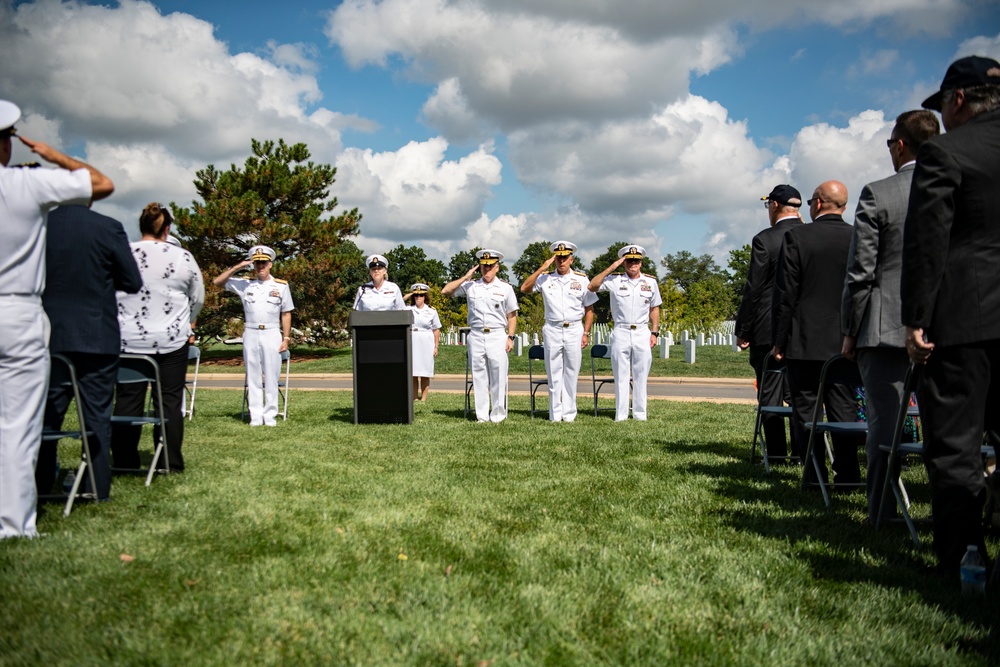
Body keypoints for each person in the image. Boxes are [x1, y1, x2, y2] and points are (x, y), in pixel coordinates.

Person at [901, 55, 1000, 572]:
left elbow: (928, 243)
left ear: (957, 100)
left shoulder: (946, 152)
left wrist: (916, 319)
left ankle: (965, 560)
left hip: (969, 320)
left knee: (957, 446)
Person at [0, 100, 114, 539]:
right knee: (18, 425)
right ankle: (13, 524)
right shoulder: (25, 183)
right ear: (9, 142)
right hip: (17, 308)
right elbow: (101, 183)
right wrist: (53, 156)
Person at [841, 110, 940, 525]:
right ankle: (952, 514)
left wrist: (850, 329)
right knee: (945, 422)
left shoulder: (879, 193)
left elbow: (862, 272)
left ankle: (881, 511)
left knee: (884, 421)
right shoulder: (960, 188)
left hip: (886, 327)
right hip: (946, 324)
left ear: (900, 145)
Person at [36, 205, 143, 502]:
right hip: (96, 334)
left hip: (49, 332)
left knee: (46, 418)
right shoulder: (108, 227)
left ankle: (41, 484)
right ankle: (98, 489)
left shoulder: (40, 224)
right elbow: (132, 281)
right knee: (96, 417)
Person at [772, 181, 862, 487]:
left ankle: (814, 477)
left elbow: (786, 293)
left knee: (806, 413)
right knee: (844, 410)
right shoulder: (858, 237)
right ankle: (849, 475)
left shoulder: (797, 237)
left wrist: (779, 341)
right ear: (844, 207)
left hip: (804, 339)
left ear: (818, 204)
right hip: (845, 340)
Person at [112, 203, 204, 472]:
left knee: (128, 399)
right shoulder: (181, 256)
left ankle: (124, 461)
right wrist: (185, 321)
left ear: (141, 226)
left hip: (129, 339)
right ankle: (169, 461)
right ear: (167, 229)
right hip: (171, 339)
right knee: (169, 402)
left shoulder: (123, 253)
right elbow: (197, 298)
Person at [735, 185, 804, 463]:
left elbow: (755, 289)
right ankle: (802, 453)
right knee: (801, 395)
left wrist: (743, 330)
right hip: (804, 330)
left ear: (774, 205)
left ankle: (775, 455)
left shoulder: (765, 239)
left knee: (771, 395)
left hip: (768, 327)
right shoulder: (810, 235)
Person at [213, 245, 294, 427]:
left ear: (270, 264)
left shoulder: (281, 286)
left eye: (263, 263)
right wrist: (237, 267)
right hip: (251, 332)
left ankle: (270, 415)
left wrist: (286, 338)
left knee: (272, 376)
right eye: (257, 263)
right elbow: (217, 282)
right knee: (253, 376)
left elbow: (286, 313)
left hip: (272, 332)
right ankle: (256, 416)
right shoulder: (245, 284)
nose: (260, 266)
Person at [520, 241, 598, 422]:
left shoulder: (581, 279)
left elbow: (589, 309)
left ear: (571, 259)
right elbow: (524, 288)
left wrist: (586, 333)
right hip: (552, 329)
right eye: (558, 258)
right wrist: (543, 267)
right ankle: (555, 415)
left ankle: (569, 414)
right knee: (553, 374)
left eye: (565, 258)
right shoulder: (545, 278)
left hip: (573, 328)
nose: (561, 261)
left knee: (571, 373)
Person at [442, 249, 519, 423]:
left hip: (497, 334)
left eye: (490, 266)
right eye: (484, 267)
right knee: (479, 376)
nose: (487, 270)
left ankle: (498, 415)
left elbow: (512, 314)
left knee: (498, 376)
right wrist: (466, 276)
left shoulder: (505, 288)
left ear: (497, 267)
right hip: (476, 334)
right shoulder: (471, 286)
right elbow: (446, 291)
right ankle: (482, 416)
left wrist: (511, 337)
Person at [588, 245, 662, 421]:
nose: (633, 264)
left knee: (641, 374)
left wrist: (654, 332)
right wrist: (612, 267)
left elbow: (654, 308)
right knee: (620, 375)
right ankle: (620, 414)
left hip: (642, 331)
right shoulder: (615, 280)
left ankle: (639, 414)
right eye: (629, 261)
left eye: (636, 260)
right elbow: (592, 286)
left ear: (641, 262)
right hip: (621, 330)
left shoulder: (650, 282)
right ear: (624, 262)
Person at [405, 283, 442, 402]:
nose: (418, 297)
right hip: (412, 338)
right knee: (413, 371)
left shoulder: (431, 311)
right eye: (416, 295)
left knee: (425, 371)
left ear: (425, 296)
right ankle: (415, 397)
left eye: (421, 295)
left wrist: (436, 346)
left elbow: (436, 329)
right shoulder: (409, 309)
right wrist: (409, 294)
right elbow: (397, 304)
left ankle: (424, 398)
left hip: (426, 340)